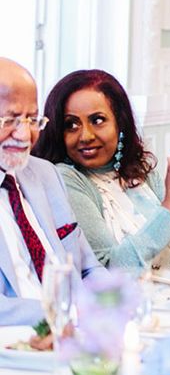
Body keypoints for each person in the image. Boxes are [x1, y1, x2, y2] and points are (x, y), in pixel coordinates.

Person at [33, 70, 170, 279]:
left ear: (120, 124)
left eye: (98, 120)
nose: (85, 136)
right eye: (71, 125)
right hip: (122, 308)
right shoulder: (65, 180)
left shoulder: (140, 170)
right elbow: (110, 271)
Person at [0, 58, 107, 326]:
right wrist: (69, 314)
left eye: (32, 119)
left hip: (77, 336)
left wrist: (114, 299)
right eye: (11, 120)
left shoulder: (44, 174)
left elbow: (88, 268)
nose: (25, 135)